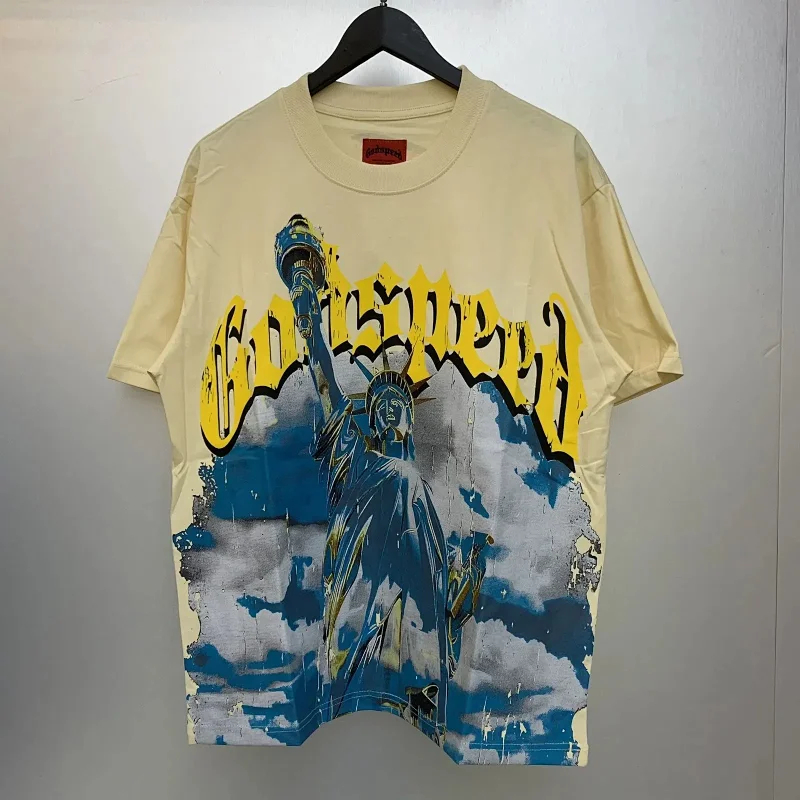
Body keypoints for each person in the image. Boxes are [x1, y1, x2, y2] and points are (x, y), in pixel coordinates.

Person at [275, 214, 490, 744]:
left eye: (400, 404)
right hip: (360, 628)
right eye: (383, 405)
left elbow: (450, 605)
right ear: (370, 419)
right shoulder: (356, 459)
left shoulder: (424, 507)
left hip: (420, 664)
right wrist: (305, 295)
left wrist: (468, 577)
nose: (393, 411)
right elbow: (323, 375)